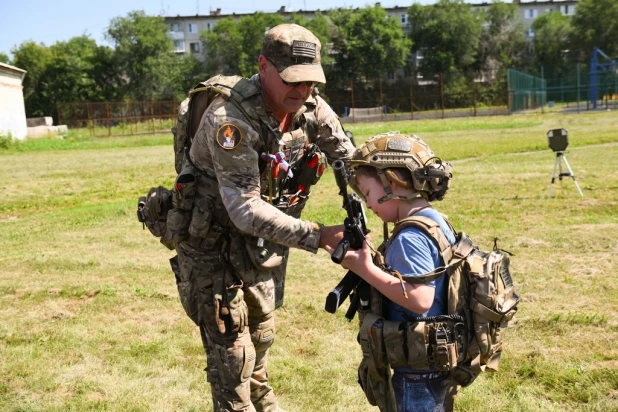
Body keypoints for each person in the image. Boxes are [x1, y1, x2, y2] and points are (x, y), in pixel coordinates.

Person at [170, 24, 354, 412]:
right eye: (292, 81)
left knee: (262, 338)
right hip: (213, 248)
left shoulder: (310, 107)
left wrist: (398, 190)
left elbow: (348, 158)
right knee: (232, 361)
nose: (302, 91)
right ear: (264, 67)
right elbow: (244, 208)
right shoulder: (230, 119)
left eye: (310, 82)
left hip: (261, 246)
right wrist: (319, 236)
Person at [325, 132, 457, 412]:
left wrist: (365, 269)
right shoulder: (433, 220)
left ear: (392, 185)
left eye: (369, 194)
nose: (369, 204)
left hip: (416, 370)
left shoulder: (410, 237)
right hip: (436, 357)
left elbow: (420, 298)